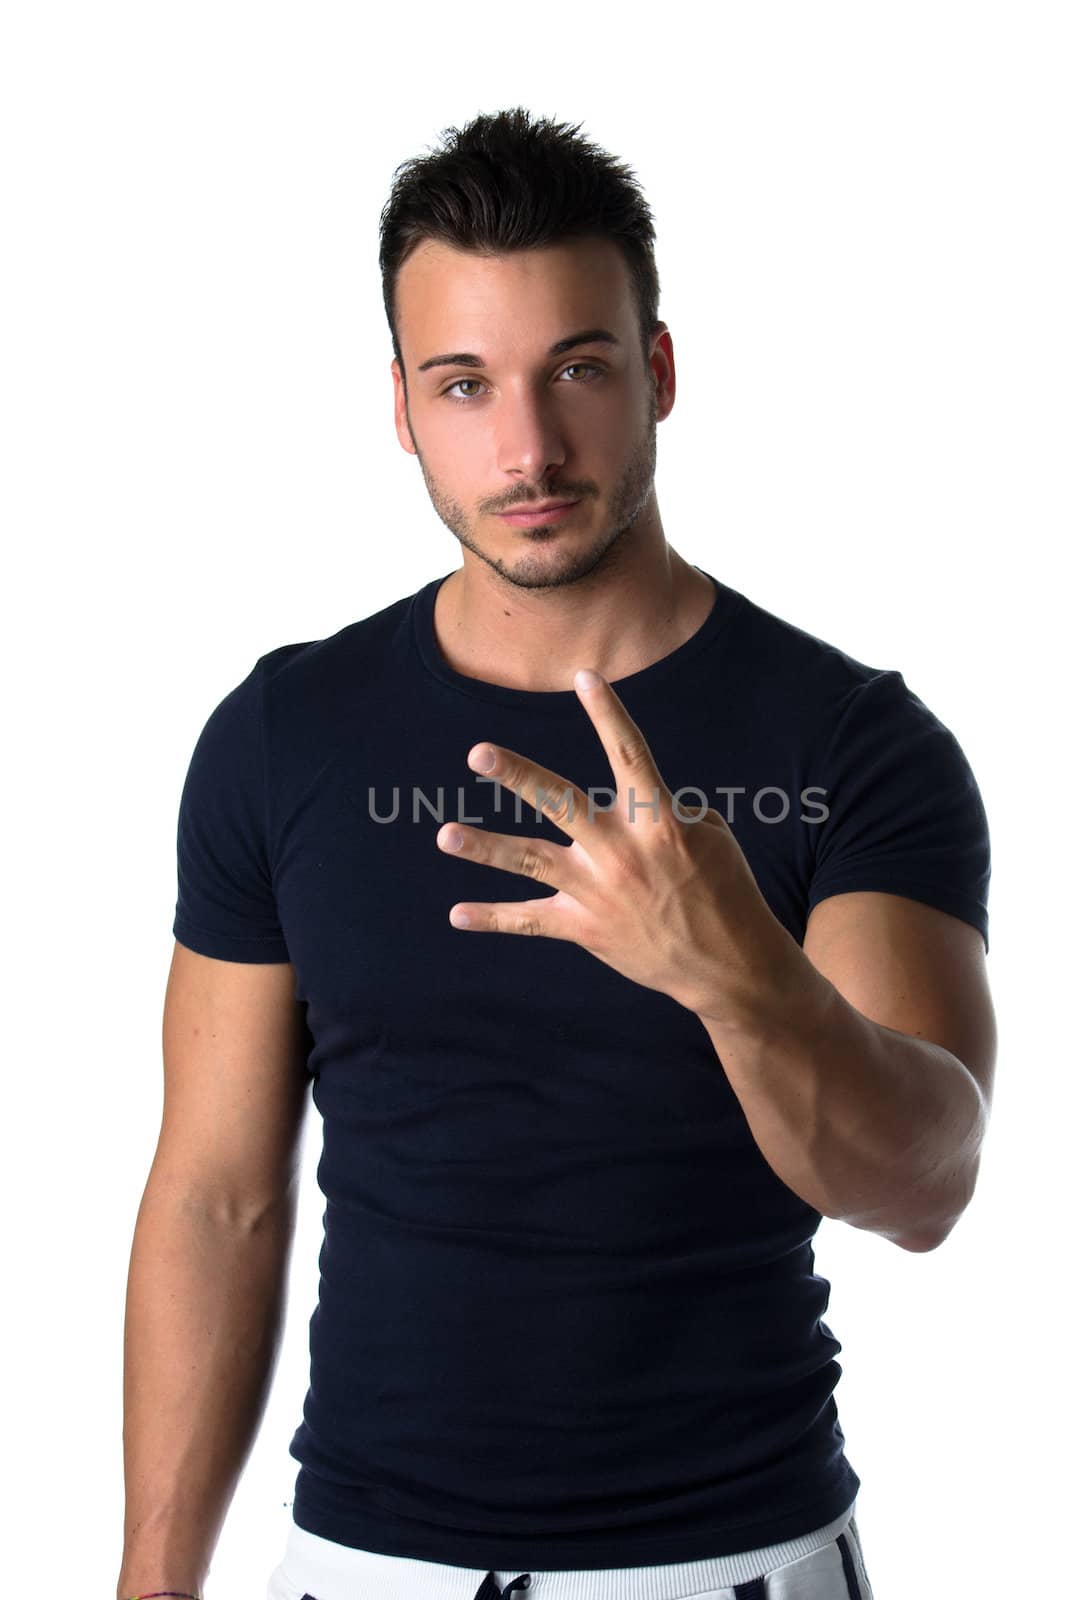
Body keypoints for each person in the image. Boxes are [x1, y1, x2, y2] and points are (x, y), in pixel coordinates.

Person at [118, 106, 997, 1600]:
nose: (526, 446)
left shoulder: (845, 743)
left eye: (577, 369)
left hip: (734, 1558)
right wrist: (153, 1580)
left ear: (656, 370)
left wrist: (732, 980)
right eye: (465, 386)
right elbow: (216, 1195)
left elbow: (920, 1186)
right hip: (363, 1559)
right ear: (402, 406)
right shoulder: (287, 735)